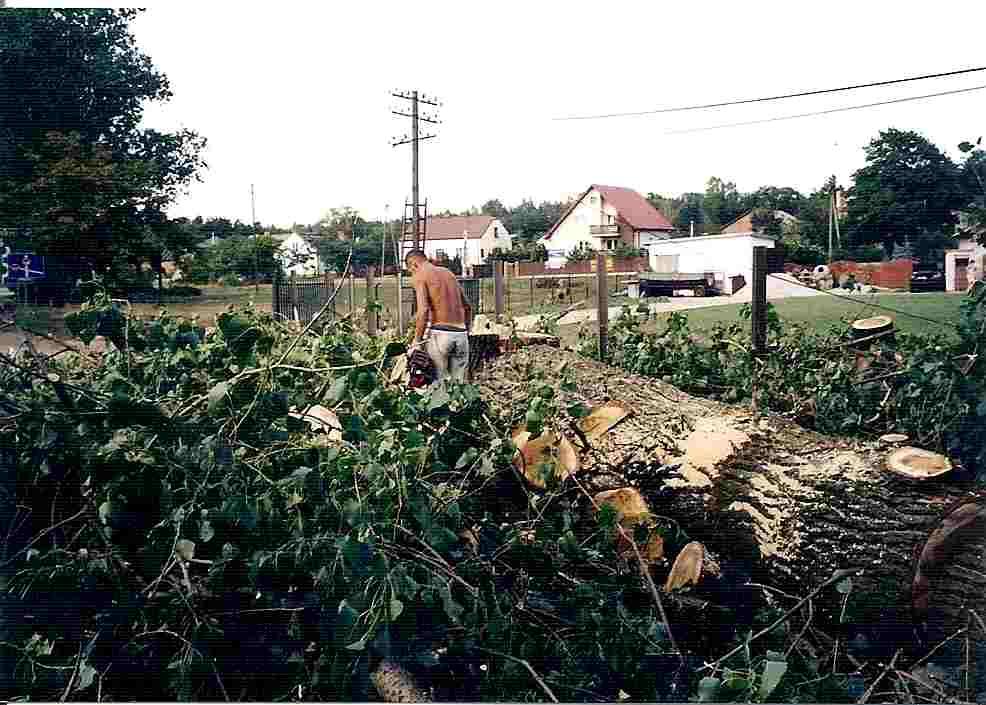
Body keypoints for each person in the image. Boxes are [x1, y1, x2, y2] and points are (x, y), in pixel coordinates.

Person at [405, 250, 471, 383]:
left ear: (414, 265)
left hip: (440, 335)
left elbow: (423, 311)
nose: (412, 274)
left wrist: (416, 342)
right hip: (461, 334)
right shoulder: (448, 273)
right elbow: (468, 307)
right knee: (459, 386)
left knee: (438, 386)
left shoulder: (420, 275)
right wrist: (467, 330)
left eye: (410, 271)